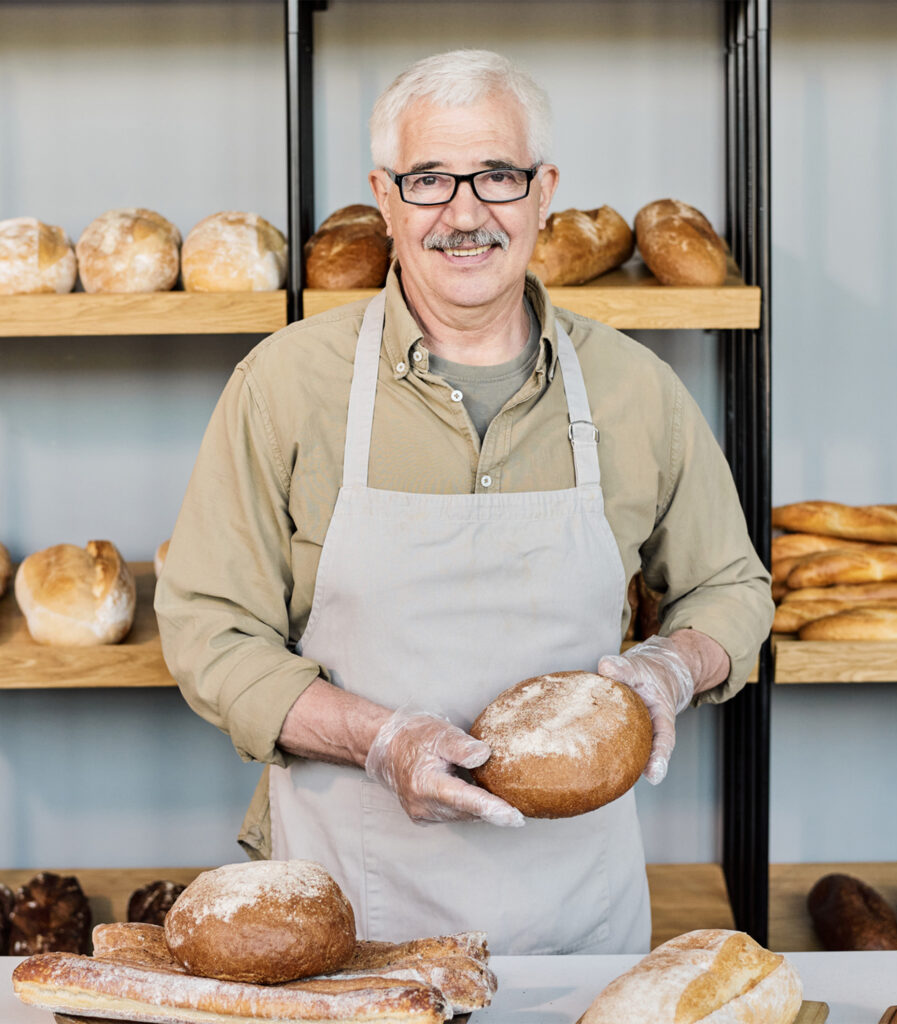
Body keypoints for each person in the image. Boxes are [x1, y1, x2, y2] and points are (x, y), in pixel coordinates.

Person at [155, 48, 773, 956]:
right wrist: (379, 739)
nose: (466, 211)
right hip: (353, 914)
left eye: (497, 174)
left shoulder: (636, 389)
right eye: (430, 179)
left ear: (544, 190)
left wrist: (673, 668)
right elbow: (208, 629)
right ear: (386, 194)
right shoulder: (284, 385)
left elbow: (735, 589)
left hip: (579, 918)